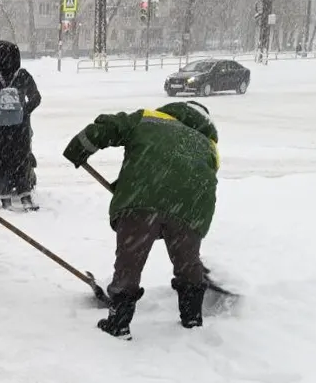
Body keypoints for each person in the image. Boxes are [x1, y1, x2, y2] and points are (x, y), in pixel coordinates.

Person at [62, 100, 219, 340]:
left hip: (142, 200)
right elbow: (194, 177)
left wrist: (81, 145)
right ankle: (192, 317)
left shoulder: (149, 119)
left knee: (130, 260)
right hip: (191, 210)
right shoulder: (208, 146)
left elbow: (110, 127)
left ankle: (119, 323)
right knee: (187, 262)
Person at [0, 40, 42, 210]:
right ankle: (24, 193)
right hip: (20, 130)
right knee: (21, 158)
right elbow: (36, 98)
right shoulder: (23, 75)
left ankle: (3, 193)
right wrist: (24, 112)